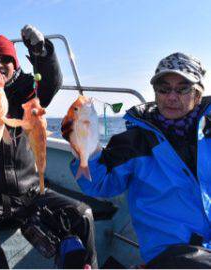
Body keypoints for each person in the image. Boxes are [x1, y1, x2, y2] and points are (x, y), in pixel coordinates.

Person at [0, 24, 97, 268]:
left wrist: (42, 53)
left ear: (16, 64)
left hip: (29, 191)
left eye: (6, 59)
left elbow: (52, 82)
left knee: (82, 215)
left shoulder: (28, 88)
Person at [63, 52, 211, 268]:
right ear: (155, 93)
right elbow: (98, 183)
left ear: (197, 95)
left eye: (182, 89)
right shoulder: (133, 142)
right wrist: (84, 146)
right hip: (171, 254)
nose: (171, 96)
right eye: (164, 88)